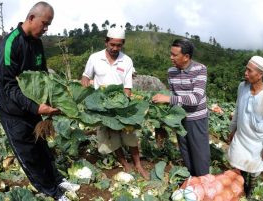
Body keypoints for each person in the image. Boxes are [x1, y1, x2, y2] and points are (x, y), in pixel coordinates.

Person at [0, 2, 79, 201]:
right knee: (29, 155)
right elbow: (8, 86)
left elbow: (43, 78)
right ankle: (52, 192)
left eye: (49, 24)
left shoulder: (37, 43)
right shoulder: (10, 44)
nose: (46, 28)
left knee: (42, 148)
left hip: (34, 110)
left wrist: (48, 104)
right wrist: (35, 106)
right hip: (13, 111)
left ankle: (57, 180)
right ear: (31, 18)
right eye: (44, 23)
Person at [81, 27, 149, 179]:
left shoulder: (127, 61)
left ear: (122, 44)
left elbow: (127, 87)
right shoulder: (95, 58)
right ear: (106, 42)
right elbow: (86, 76)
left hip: (122, 106)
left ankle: (138, 164)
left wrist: (122, 107)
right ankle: (125, 163)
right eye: (112, 44)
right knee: (112, 138)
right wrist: (85, 85)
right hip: (102, 106)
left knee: (130, 136)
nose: (115, 48)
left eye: (118, 45)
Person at [152, 39, 210, 176]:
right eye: (170, 54)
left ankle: (203, 183)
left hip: (197, 118)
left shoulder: (200, 69)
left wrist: (168, 99)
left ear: (186, 57)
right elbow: (174, 94)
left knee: (200, 155)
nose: (171, 57)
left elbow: (196, 98)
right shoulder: (171, 72)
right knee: (185, 152)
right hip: (180, 118)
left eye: (174, 55)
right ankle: (192, 182)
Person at [227, 56, 263, 198]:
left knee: (254, 169)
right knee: (237, 162)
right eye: (246, 69)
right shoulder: (242, 87)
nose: (246, 73)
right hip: (241, 135)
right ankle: (241, 186)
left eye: (249, 71)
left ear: (260, 74)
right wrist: (232, 129)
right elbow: (237, 110)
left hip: (257, 141)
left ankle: (250, 190)